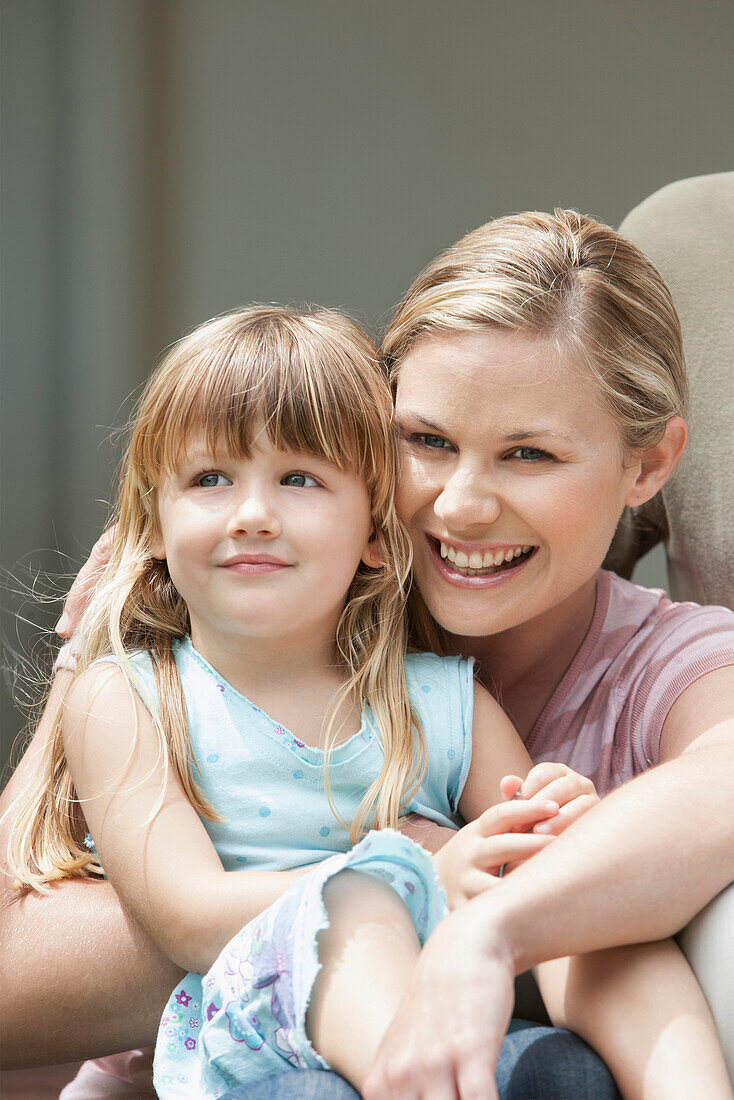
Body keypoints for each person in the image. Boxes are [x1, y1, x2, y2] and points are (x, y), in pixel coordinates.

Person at [3, 210, 734, 1095]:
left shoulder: (652, 667)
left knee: (601, 945)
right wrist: (414, 870)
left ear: (650, 463)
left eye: (529, 454)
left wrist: (498, 913)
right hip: (240, 1052)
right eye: (425, 441)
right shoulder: (231, 636)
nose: (460, 506)